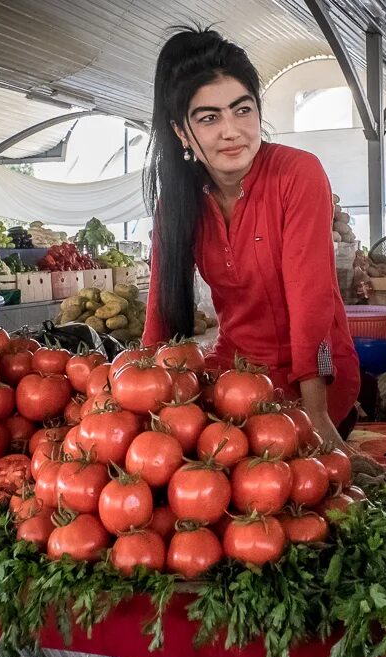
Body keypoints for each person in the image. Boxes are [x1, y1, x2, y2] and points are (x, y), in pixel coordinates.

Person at [141, 27, 361, 445]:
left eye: (242, 110)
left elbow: (310, 300)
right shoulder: (177, 202)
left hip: (316, 378)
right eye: (209, 118)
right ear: (182, 133)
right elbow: (160, 312)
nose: (232, 131)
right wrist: (142, 398)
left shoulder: (298, 173)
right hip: (233, 374)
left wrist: (316, 415)